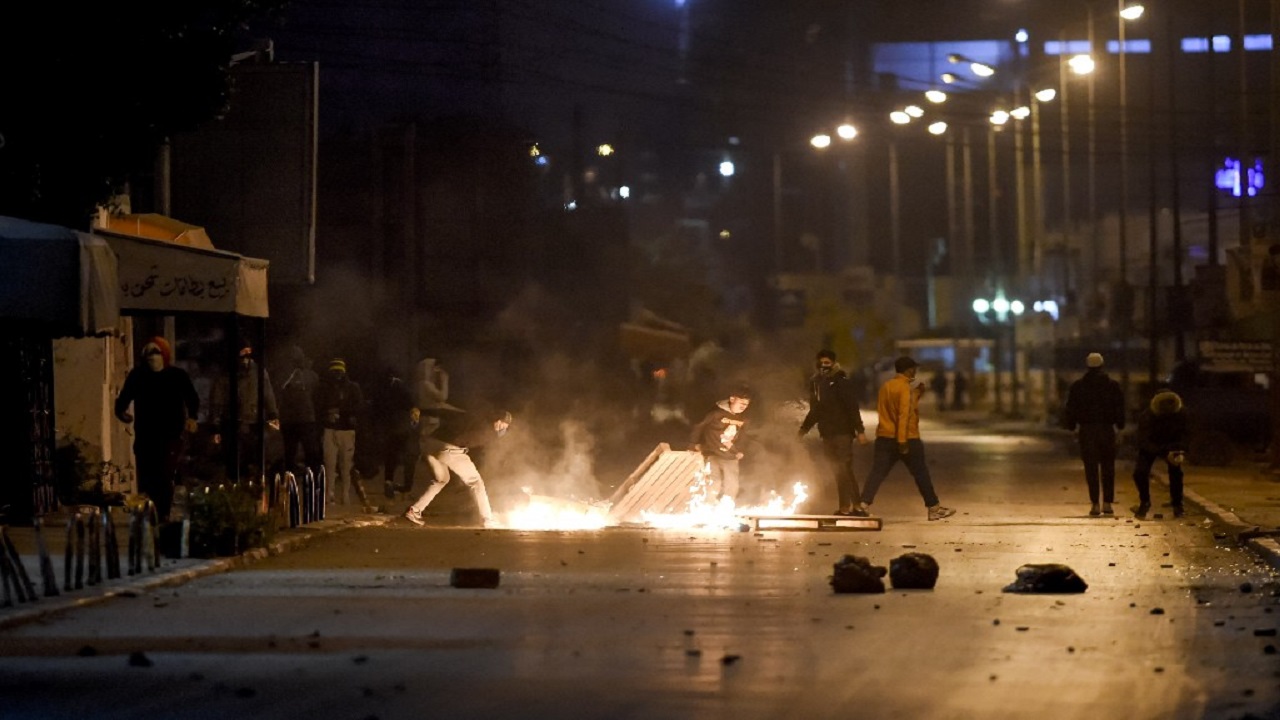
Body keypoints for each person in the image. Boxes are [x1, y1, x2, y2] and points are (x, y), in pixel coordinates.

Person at [856, 356, 956, 521]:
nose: (916, 371)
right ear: (909, 370)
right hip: (907, 438)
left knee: (877, 473)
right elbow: (903, 415)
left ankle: (863, 505)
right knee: (921, 473)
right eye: (914, 369)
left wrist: (917, 394)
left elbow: (895, 408)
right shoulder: (903, 388)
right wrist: (902, 441)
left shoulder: (886, 387)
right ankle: (933, 508)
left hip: (884, 437)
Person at [113, 336, 200, 523]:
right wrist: (121, 412)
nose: (151, 357)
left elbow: (192, 397)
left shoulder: (177, 376)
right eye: (147, 353)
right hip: (145, 435)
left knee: (165, 473)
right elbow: (124, 397)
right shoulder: (138, 376)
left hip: (170, 435)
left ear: (164, 355)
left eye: (156, 352)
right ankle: (150, 511)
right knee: (147, 475)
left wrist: (192, 417)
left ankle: (163, 512)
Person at [403, 407, 512, 529]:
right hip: (449, 448)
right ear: (495, 419)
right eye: (502, 422)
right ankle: (488, 519)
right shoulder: (488, 430)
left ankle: (415, 510)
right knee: (476, 482)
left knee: (441, 479)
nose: (502, 426)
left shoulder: (475, 417)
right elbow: (470, 444)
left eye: (505, 425)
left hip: (429, 443)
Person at [798, 350, 871, 516]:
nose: (824, 366)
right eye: (821, 363)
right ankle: (845, 507)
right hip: (827, 433)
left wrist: (860, 431)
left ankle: (858, 506)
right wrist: (803, 430)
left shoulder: (841, 381)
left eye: (827, 363)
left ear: (833, 363)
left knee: (844, 468)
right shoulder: (815, 383)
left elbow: (852, 407)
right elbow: (815, 410)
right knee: (837, 470)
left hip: (843, 432)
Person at [1061, 352, 1126, 516]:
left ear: (1087, 366)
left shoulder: (1078, 386)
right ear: (1102, 365)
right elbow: (1119, 408)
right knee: (1108, 467)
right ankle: (1108, 503)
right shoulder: (1112, 385)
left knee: (1091, 468)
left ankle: (1095, 503)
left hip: (1087, 430)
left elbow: (1071, 409)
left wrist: (1072, 426)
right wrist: (1120, 426)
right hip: (1106, 429)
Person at [210, 339, 279, 481]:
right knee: (234, 461)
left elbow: (268, 393)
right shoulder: (226, 374)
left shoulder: (258, 372)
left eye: (249, 354)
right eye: (243, 354)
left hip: (253, 422)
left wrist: (273, 414)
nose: (246, 359)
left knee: (253, 460)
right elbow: (218, 400)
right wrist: (215, 426)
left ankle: (252, 489)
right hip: (232, 423)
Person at [1131, 389, 1190, 518]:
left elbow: (1186, 435)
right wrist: (1162, 451)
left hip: (1172, 446)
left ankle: (1177, 505)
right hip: (1152, 445)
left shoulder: (1181, 414)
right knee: (1139, 473)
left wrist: (1179, 450)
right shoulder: (1148, 416)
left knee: (1176, 474)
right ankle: (1145, 502)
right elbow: (1143, 440)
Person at [690, 383, 752, 504]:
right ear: (732, 399)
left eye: (746, 404)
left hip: (730, 457)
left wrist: (740, 450)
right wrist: (693, 444)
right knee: (714, 483)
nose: (744, 406)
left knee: (732, 485)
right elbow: (699, 427)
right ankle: (708, 509)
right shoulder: (715, 413)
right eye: (741, 402)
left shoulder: (744, 418)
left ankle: (726, 509)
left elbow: (744, 436)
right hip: (712, 454)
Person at [315, 357, 365, 505]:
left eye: (339, 372)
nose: (337, 375)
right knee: (330, 464)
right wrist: (327, 414)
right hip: (331, 429)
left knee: (345, 465)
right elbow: (317, 407)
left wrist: (342, 412)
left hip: (346, 430)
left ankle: (344, 494)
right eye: (335, 372)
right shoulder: (324, 388)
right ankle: (331, 495)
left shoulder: (352, 388)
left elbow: (359, 407)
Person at [367, 366, 419, 499]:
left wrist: (376, 427)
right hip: (402, 425)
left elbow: (374, 409)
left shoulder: (379, 389)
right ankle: (407, 487)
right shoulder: (401, 387)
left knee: (391, 455)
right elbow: (412, 405)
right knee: (409, 457)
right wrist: (414, 424)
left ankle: (388, 481)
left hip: (388, 427)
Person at [277, 345, 322, 479]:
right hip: (290, 420)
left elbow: (317, 396)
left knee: (310, 450)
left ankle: (311, 476)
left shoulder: (311, 375)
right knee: (290, 451)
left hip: (306, 419)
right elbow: (279, 391)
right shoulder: (285, 375)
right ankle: (289, 476)